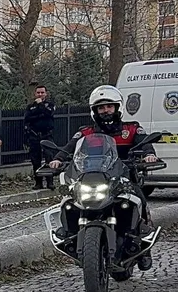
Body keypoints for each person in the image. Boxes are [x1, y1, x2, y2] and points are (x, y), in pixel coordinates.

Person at [47, 85, 159, 269]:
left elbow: (144, 144)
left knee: (140, 198)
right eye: (101, 107)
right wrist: (57, 160)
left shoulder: (131, 129)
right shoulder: (86, 132)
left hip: (123, 180)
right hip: (91, 179)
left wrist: (148, 154)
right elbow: (70, 148)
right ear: (94, 111)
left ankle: (144, 242)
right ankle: (68, 234)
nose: (105, 110)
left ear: (117, 107)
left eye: (109, 106)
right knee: (69, 201)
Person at [23, 84, 56, 190]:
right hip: (34, 136)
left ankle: (50, 182)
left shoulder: (50, 104)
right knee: (35, 161)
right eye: (38, 92)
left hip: (47, 135)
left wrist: (41, 106)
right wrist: (39, 113)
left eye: (42, 92)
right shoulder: (30, 106)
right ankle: (38, 183)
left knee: (49, 159)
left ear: (46, 93)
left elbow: (49, 114)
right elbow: (28, 118)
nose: (40, 94)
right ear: (35, 94)